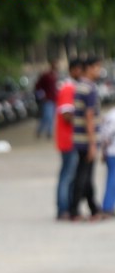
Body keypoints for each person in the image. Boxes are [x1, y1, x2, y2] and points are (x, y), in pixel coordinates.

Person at [69, 56, 102, 221]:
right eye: (97, 67)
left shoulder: (79, 87)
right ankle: (74, 209)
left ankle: (93, 207)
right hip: (86, 139)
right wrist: (92, 143)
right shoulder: (89, 88)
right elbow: (89, 116)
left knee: (86, 174)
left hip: (79, 137)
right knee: (83, 175)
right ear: (88, 68)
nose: (99, 71)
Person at [54, 59, 82, 221]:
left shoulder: (72, 87)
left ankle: (69, 206)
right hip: (68, 139)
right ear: (72, 70)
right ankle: (63, 208)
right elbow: (66, 115)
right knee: (67, 175)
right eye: (78, 70)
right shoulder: (68, 89)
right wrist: (84, 119)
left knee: (70, 175)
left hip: (72, 139)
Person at [34, 60, 59, 139]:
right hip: (47, 99)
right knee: (48, 117)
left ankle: (43, 131)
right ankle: (47, 132)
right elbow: (37, 86)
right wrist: (41, 95)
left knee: (48, 117)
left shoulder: (55, 75)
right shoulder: (46, 75)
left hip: (54, 99)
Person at [100, 104, 115, 218]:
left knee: (111, 178)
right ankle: (107, 206)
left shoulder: (109, 114)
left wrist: (103, 150)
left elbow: (103, 133)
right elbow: (107, 135)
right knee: (112, 180)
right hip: (113, 152)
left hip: (109, 152)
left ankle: (108, 205)